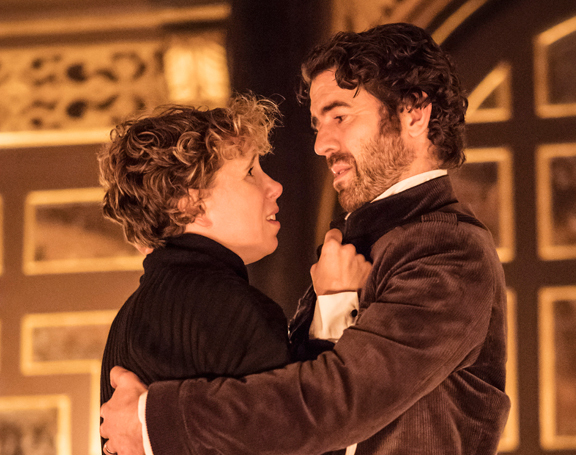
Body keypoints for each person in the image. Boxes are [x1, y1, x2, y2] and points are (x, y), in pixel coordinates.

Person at [100, 22, 510, 455]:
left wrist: (153, 420)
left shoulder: (450, 250)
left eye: (339, 116)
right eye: (318, 124)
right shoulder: (368, 243)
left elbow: (337, 399)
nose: (321, 144)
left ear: (414, 113)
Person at [97, 94, 370, 455]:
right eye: (250, 172)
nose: (275, 186)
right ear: (190, 204)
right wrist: (337, 302)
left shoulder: (128, 320)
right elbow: (313, 439)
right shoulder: (226, 306)